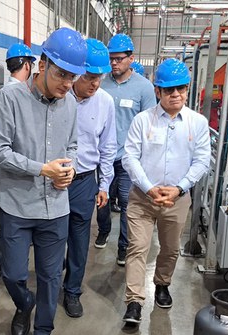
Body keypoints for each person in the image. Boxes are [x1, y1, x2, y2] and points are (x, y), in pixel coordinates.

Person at [0, 27, 85, 335]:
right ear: (42, 64)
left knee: (50, 278)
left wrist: (69, 169)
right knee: (14, 274)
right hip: (17, 205)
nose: (66, 84)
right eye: (61, 75)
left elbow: (72, 146)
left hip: (55, 208)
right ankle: (22, 303)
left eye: (73, 78)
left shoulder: (70, 104)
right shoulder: (10, 99)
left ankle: (43, 333)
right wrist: (41, 169)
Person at [121, 58, 210, 325]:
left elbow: (202, 160)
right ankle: (134, 301)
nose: (175, 95)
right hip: (142, 198)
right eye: (169, 90)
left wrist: (179, 188)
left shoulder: (197, 123)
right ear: (157, 91)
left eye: (181, 89)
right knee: (137, 247)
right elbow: (129, 157)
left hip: (178, 199)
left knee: (170, 248)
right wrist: (149, 189)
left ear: (187, 89)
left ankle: (162, 283)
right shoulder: (142, 120)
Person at [62, 39, 117, 318]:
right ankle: (51, 283)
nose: (95, 84)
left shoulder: (105, 102)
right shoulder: (60, 96)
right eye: (89, 77)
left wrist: (104, 184)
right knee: (53, 237)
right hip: (54, 180)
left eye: (99, 78)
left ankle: (72, 291)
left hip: (85, 181)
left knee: (80, 239)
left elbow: (108, 146)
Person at [96, 33, 157, 266]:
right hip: (103, 157)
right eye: (111, 59)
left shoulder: (144, 88)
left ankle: (123, 246)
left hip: (128, 159)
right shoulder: (101, 83)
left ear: (131, 58)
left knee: (127, 204)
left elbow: (150, 125)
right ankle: (103, 230)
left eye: (119, 59)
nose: (114, 63)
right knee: (101, 200)